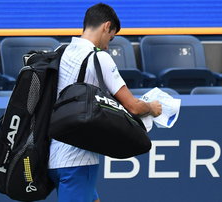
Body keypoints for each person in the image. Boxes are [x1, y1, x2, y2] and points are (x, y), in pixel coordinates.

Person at [48, 3, 162, 202]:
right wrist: (152, 107)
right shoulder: (100, 58)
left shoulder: (61, 52)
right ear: (106, 26)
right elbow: (133, 106)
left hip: (53, 157)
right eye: (111, 37)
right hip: (78, 162)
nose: (109, 45)